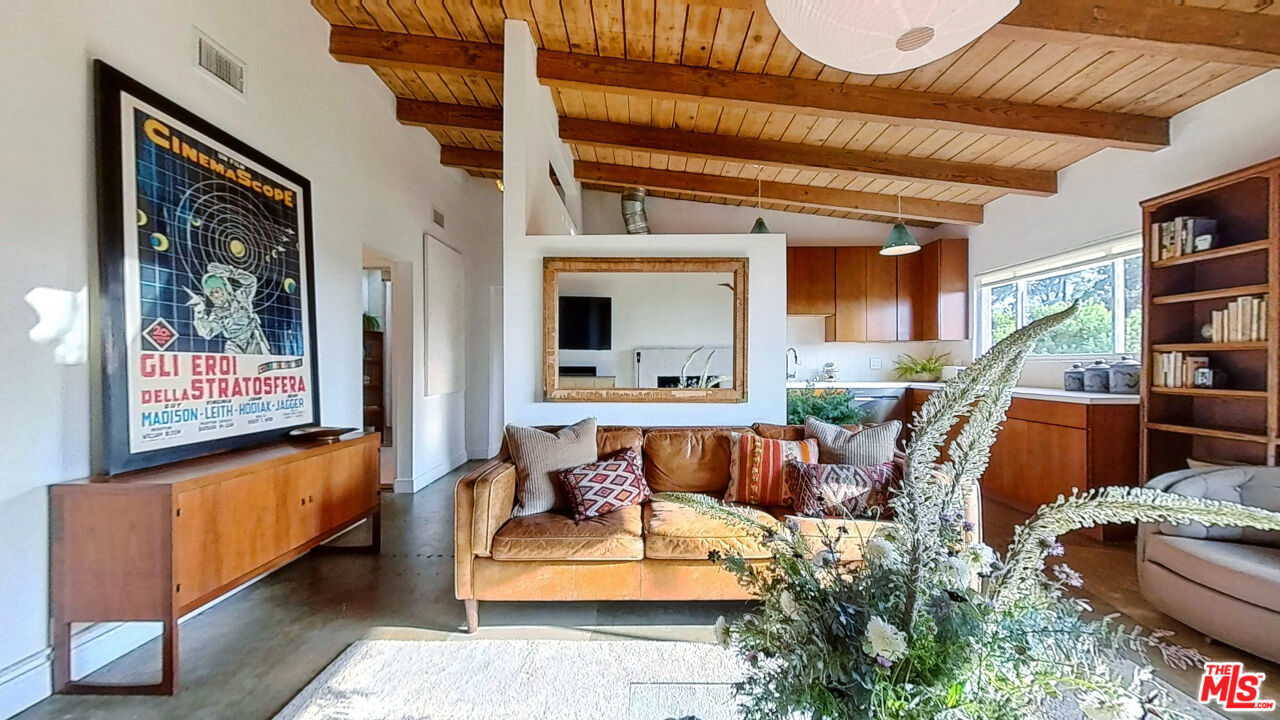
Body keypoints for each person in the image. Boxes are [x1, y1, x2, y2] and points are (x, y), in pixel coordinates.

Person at [185, 262, 270, 354]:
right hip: (234, 344)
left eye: (217, 291)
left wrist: (231, 272)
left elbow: (251, 281)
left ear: (224, 288)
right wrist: (199, 313)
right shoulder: (216, 313)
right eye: (211, 294)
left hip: (252, 339)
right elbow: (207, 332)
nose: (215, 296)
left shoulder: (241, 298)